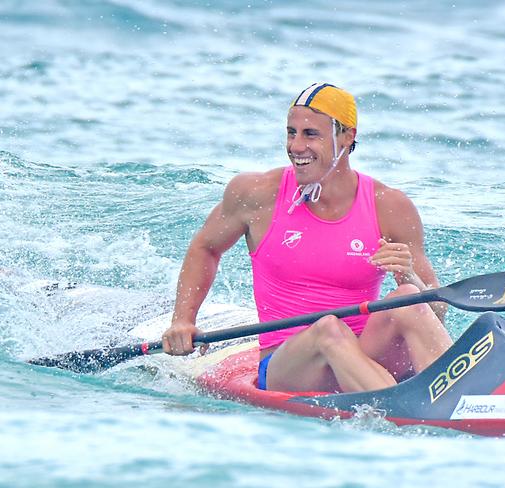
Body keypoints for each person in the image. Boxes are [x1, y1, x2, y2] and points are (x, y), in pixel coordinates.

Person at [162, 83, 452, 393]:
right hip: (287, 365)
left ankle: (462, 391)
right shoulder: (256, 194)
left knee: (410, 297)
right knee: (329, 328)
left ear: (347, 136)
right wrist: (183, 319)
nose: (296, 146)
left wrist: (408, 277)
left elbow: (436, 313)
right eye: (291, 133)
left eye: (310, 134)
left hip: (364, 354)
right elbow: (205, 248)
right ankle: (408, 406)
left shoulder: (390, 206)